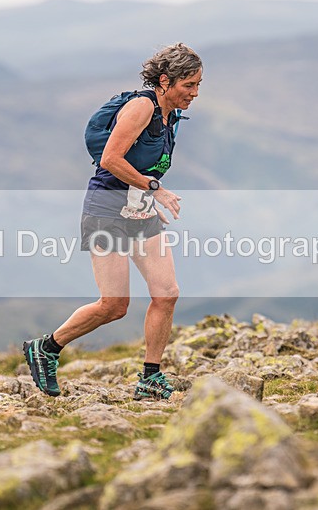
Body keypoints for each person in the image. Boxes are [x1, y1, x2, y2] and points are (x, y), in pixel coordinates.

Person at [24, 43, 202, 400]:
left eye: (199, 85)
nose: (195, 93)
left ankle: (150, 378)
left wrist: (149, 193)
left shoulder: (171, 115)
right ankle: (46, 348)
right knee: (114, 305)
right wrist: (156, 187)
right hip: (106, 208)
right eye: (189, 85)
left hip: (138, 208)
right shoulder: (141, 107)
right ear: (165, 81)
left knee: (166, 294)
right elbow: (110, 159)